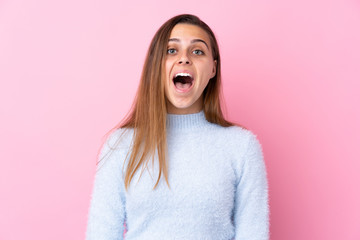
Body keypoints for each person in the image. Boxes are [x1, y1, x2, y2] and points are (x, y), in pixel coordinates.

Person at [85, 14, 269, 240]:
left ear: (213, 68)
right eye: (171, 50)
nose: (184, 59)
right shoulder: (121, 144)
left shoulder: (242, 146)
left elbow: (253, 234)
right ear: (155, 65)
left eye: (198, 51)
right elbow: (101, 234)